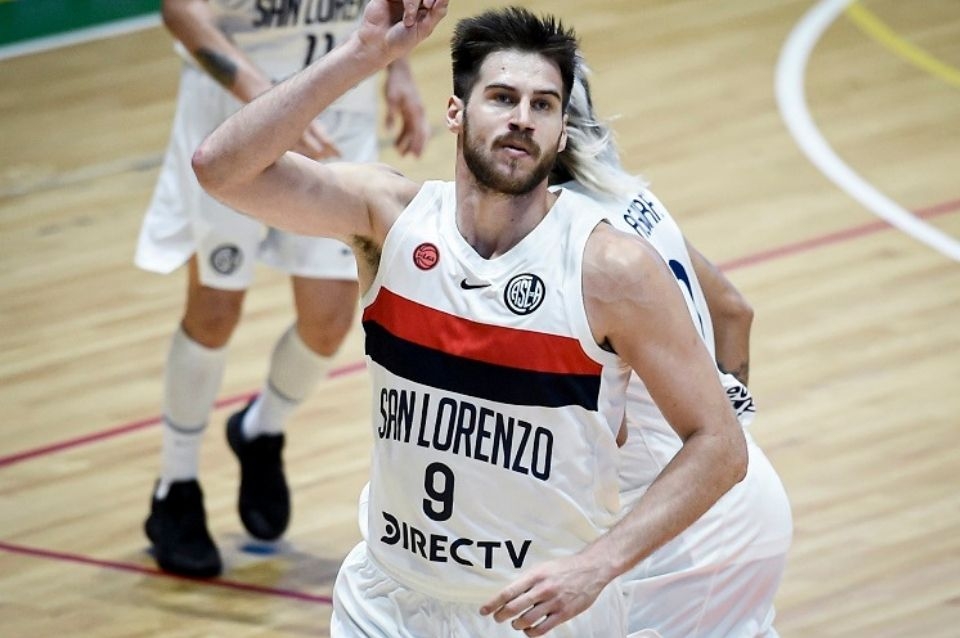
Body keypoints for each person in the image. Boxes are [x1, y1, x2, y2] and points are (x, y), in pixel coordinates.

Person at [192, 2, 749, 636]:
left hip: (535, 614)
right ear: (455, 112)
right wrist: (364, 54)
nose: (522, 118)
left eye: (544, 105)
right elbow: (220, 169)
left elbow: (721, 445)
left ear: (562, 132)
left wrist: (599, 566)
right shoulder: (390, 220)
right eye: (503, 97)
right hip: (385, 602)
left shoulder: (611, 269)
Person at [137, 0, 430, 578]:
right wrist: (267, 99)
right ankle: (176, 486)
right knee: (215, 310)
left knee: (330, 319)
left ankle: (259, 430)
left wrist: (399, 68)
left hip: (339, 107)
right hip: (234, 114)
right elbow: (181, 10)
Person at [551, 65, 793, 637]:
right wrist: (721, 435)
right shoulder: (632, 196)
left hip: (677, 533)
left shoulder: (571, 241)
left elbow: (606, 431)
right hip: (737, 495)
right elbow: (734, 311)